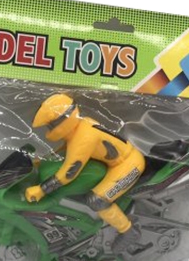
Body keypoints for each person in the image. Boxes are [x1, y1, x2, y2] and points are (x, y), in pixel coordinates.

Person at [25, 93, 145, 252]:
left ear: (63, 121)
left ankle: (128, 232)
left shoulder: (83, 138)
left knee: (97, 200)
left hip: (129, 165)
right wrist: (43, 160)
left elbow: (69, 173)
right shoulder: (81, 125)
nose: (50, 130)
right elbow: (66, 149)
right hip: (117, 162)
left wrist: (41, 190)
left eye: (51, 125)